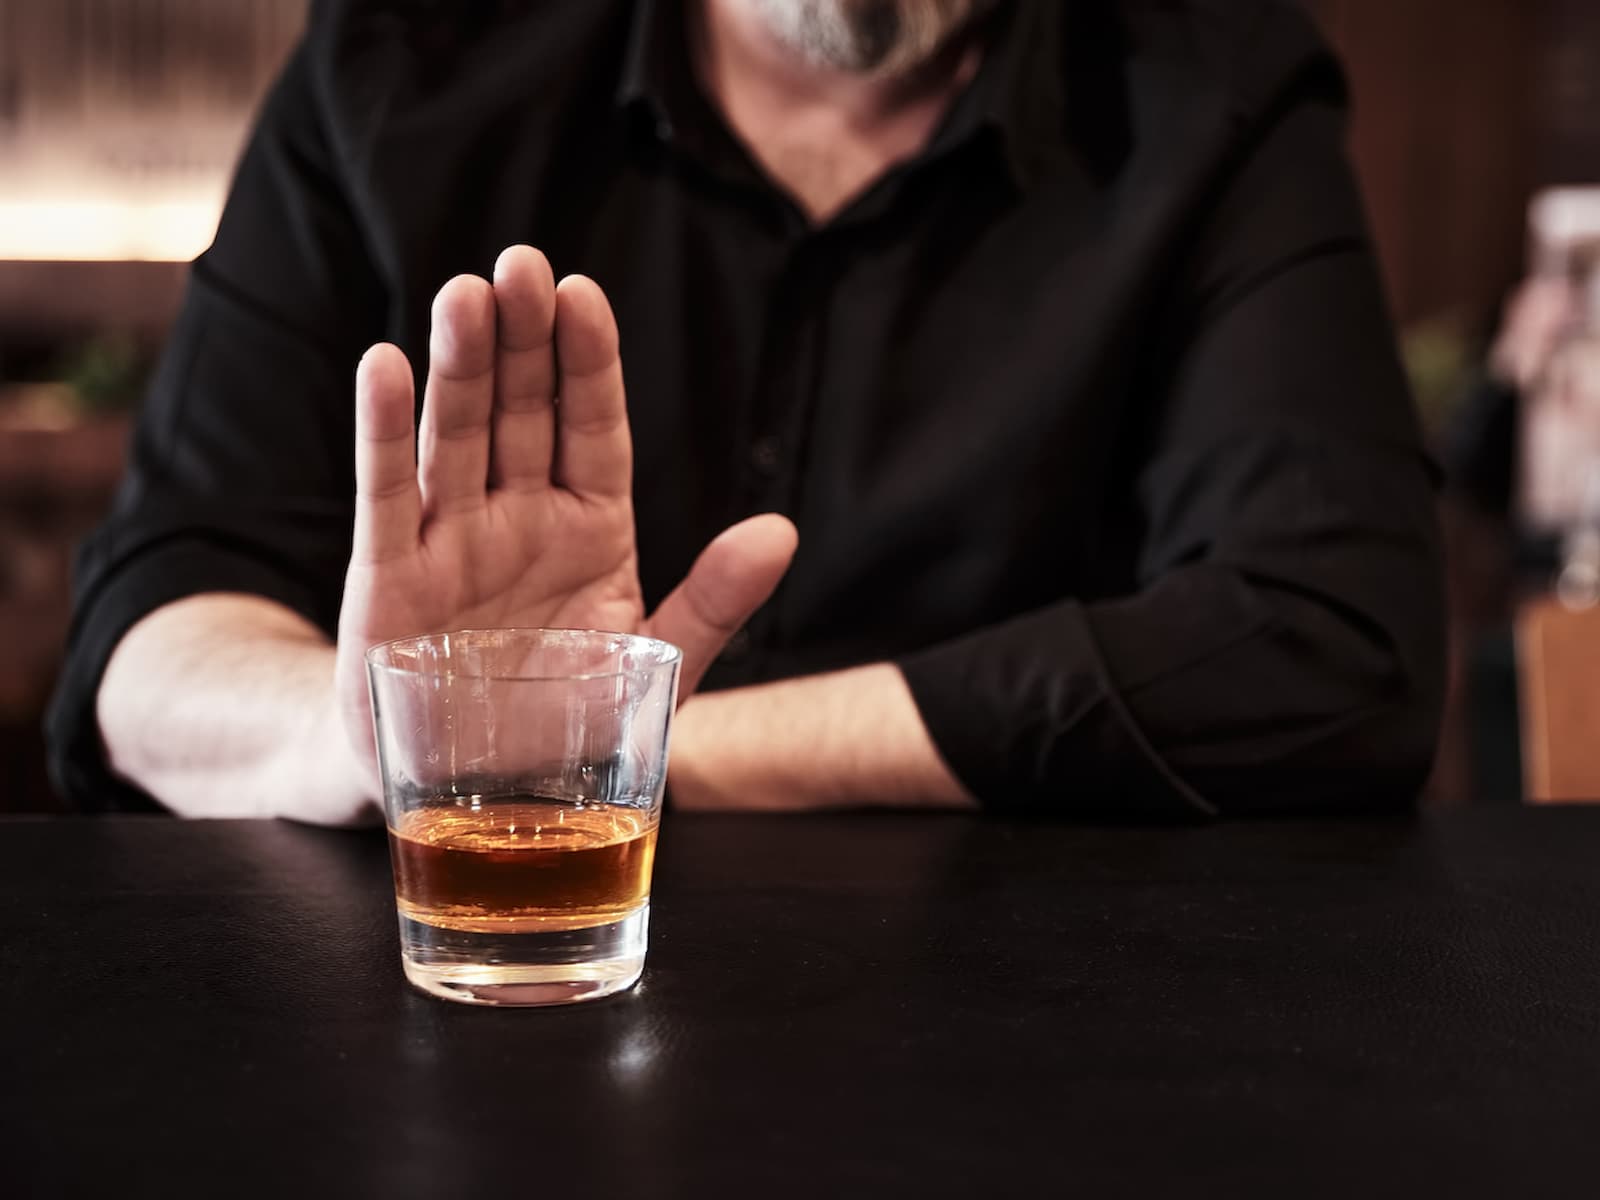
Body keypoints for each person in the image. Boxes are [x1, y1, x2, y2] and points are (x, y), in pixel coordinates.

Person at [47, 0, 1445, 822]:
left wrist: (612, 748)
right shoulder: (403, 59)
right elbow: (153, 631)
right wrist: (380, 741)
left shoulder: (1219, 83)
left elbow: (1333, 648)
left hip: (1033, 1066)